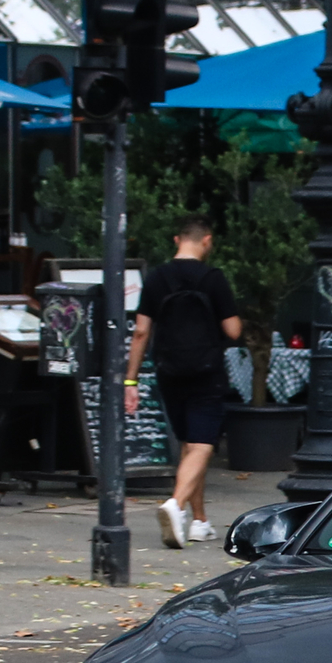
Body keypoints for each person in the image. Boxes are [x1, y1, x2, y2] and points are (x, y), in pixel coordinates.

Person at [125, 216, 244, 550]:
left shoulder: (156, 278)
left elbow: (140, 332)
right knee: (203, 444)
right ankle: (176, 505)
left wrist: (130, 380)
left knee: (190, 446)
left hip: (169, 371)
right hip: (206, 371)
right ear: (206, 241)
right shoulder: (213, 278)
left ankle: (200, 522)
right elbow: (233, 330)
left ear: (177, 239)